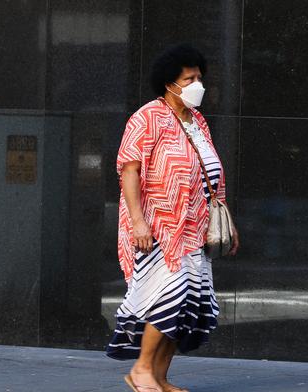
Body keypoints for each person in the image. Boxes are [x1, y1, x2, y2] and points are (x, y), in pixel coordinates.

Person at [107, 44, 239, 392]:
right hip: (159, 228)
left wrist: (225, 219)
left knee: (187, 304)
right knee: (168, 297)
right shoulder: (148, 117)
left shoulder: (198, 122)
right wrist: (138, 221)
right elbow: (129, 170)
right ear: (170, 83)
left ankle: (160, 376)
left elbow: (211, 174)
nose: (198, 83)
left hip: (196, 230)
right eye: (189, 78)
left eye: (199, 77)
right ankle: (141, 370)